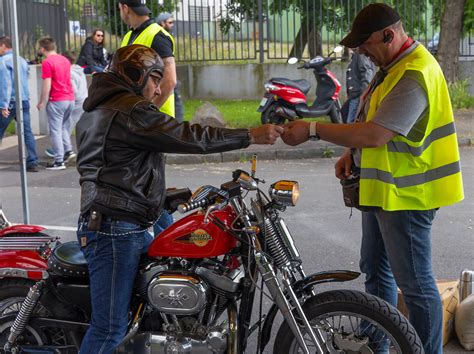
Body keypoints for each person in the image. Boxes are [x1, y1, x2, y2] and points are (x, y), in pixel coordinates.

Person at [75, 44, 282, 353]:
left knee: (160, 296)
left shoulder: (102, 107)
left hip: (122, 217)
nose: (159, 90)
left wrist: (160, 197)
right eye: (155, 79)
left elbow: (117, 168)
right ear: (135, 74)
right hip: (115, 228)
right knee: (110, 328)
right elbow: (187, 136)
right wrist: (249, 135)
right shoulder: (130, 110)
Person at [281, 4, 463, 354]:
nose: (361, 51)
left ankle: (424, 351)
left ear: (388, 35)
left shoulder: (415, 73)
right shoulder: (392, 66)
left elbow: (377, 133)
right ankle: (376, 343)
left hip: (409, 197)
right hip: (383, 192)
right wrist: (352, 153)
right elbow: (376, 122)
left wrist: (314, 129)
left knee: (416, 285)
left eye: (365, 44)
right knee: (376, 272)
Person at [119, 0, 176, 119]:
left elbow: (170, 80)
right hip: (135, 113)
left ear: (125, 8)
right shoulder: (128, 37)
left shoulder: (158, 36)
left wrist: (147, 112)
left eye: (119, 9)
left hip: (156, 118)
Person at [0, 36, 39, 172]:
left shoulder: (3, 61)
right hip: (23, 100)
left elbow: (5, 84)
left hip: (10, 101)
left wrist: (3, 104)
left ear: (4, 46)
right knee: (27, 132)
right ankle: (33, 161)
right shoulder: (22, 60)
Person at [37, 37, 76, 170]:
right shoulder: (64, 60)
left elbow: (47, 83)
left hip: (57, 100)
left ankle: (59, 161)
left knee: (55, 131)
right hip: (70, 98)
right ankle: (69, 151)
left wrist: (42, 101)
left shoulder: (47, 62)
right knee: (63, 127)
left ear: (42, 49)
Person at [156, 12, 184, 123]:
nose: (172, 25)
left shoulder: (166, 36)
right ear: (162, 23)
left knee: (176, 102)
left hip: (168, 76)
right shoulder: (160, 38)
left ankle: (178, 124)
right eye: (170, 22)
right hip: (164, 77)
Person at [345, 49, 375, 123]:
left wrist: (363, 94)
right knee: (351, 122)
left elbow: (367, 73)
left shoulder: (360, 55)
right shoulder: (356, 55)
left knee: (351, 122)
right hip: (355, 95)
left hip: (358, 95)